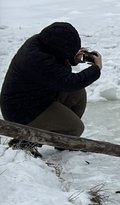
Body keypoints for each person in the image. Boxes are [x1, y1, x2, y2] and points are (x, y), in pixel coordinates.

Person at [1, 22, 102, 153]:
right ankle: (25, 140)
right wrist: (96, 69)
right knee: (76, 128)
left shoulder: (41, 42)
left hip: (37, 97)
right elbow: (69, 82)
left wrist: (72, 58)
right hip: (22, 112)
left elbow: (57, 67)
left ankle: (63, 140)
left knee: (77, 94)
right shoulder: (37, 58)